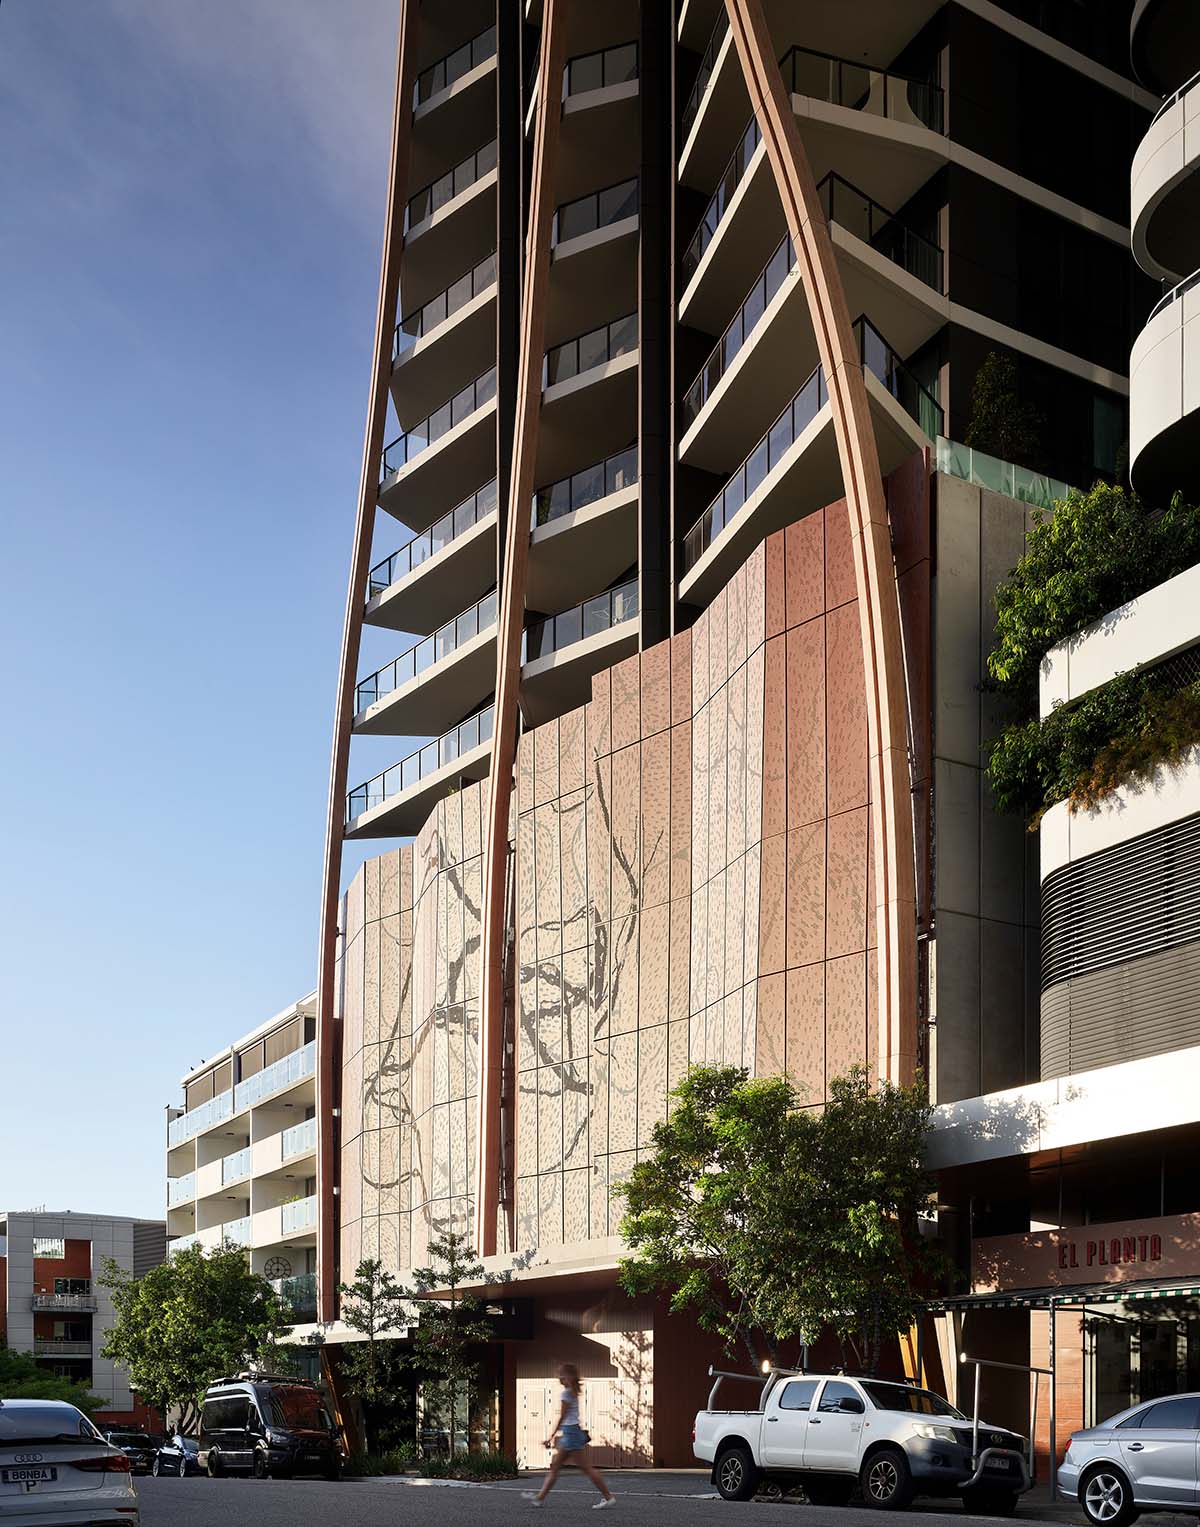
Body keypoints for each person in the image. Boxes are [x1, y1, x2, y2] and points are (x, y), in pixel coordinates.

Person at [526, 1363, 614, 1508]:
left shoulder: (566, 1393)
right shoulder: (572, 1391)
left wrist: (551, 1436)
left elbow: (562, 1416)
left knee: (585, 1468)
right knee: (556, 1466)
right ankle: (540, 1497)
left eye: (562, 1375)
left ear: (569, 1377)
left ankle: (608, 1496)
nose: (559, 1377)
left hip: (571, 1433)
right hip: (572, 1432)